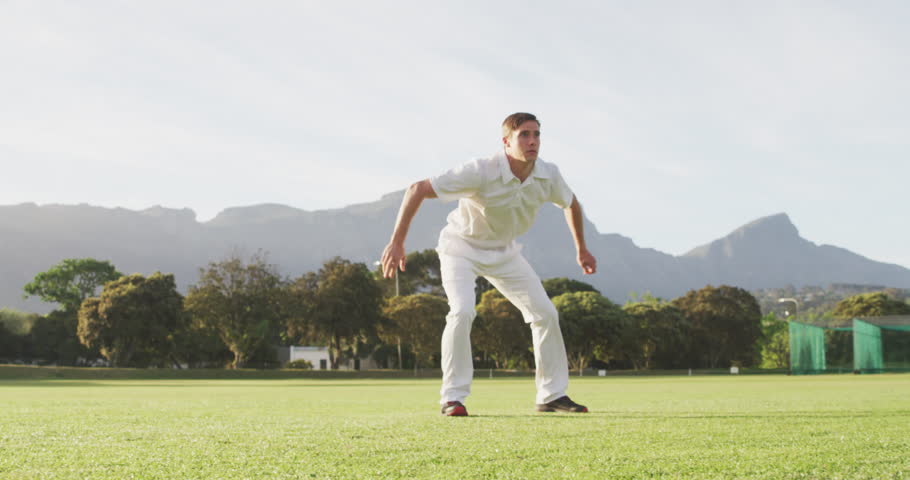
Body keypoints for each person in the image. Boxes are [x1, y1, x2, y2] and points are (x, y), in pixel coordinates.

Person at [381, 112, 597, 416]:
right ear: (506, 142)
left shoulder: (548, 174)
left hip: (505, 253)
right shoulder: (480, 170)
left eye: (536, 134)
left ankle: (551, 395)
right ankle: (452, 398)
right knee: (463, 310)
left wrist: (582, 249)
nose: (532, 141)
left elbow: (571, 203)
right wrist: (398, 242)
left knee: (546, 313)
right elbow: (417, 189)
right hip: (461, 247)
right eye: (524, 135)